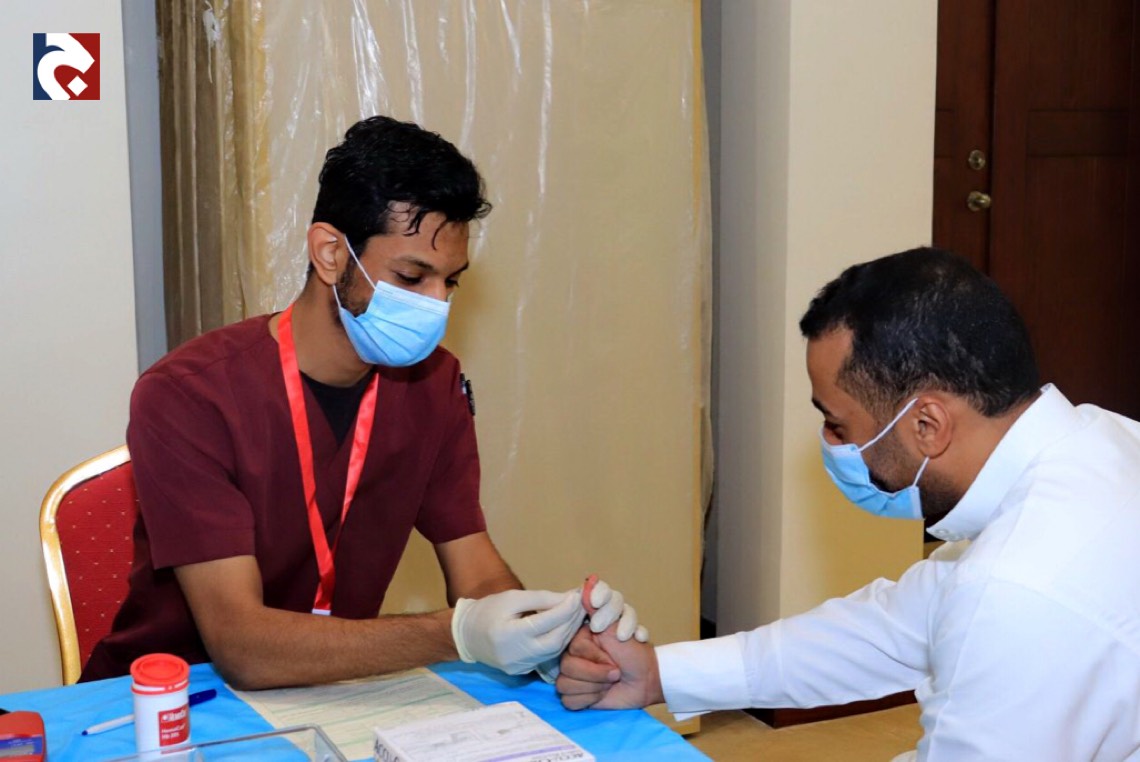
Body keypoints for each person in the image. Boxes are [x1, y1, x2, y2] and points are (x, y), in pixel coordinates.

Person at [83, 116, 644, 689]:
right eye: (412, 277)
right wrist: (459, 632)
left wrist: (545, 635)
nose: (437, 305)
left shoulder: (433, 385)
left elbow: (475, 568)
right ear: (331, 253)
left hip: (337, 687)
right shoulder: (189, 396)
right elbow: (242, 647)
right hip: (169, 700)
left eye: (451, 282)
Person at [557, 248, 1140, 760]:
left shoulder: (1017, 587)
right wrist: (660, 674)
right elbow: (888, 628)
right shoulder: (1104, 441)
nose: (831, 444)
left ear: (928, 424)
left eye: (838, 424)